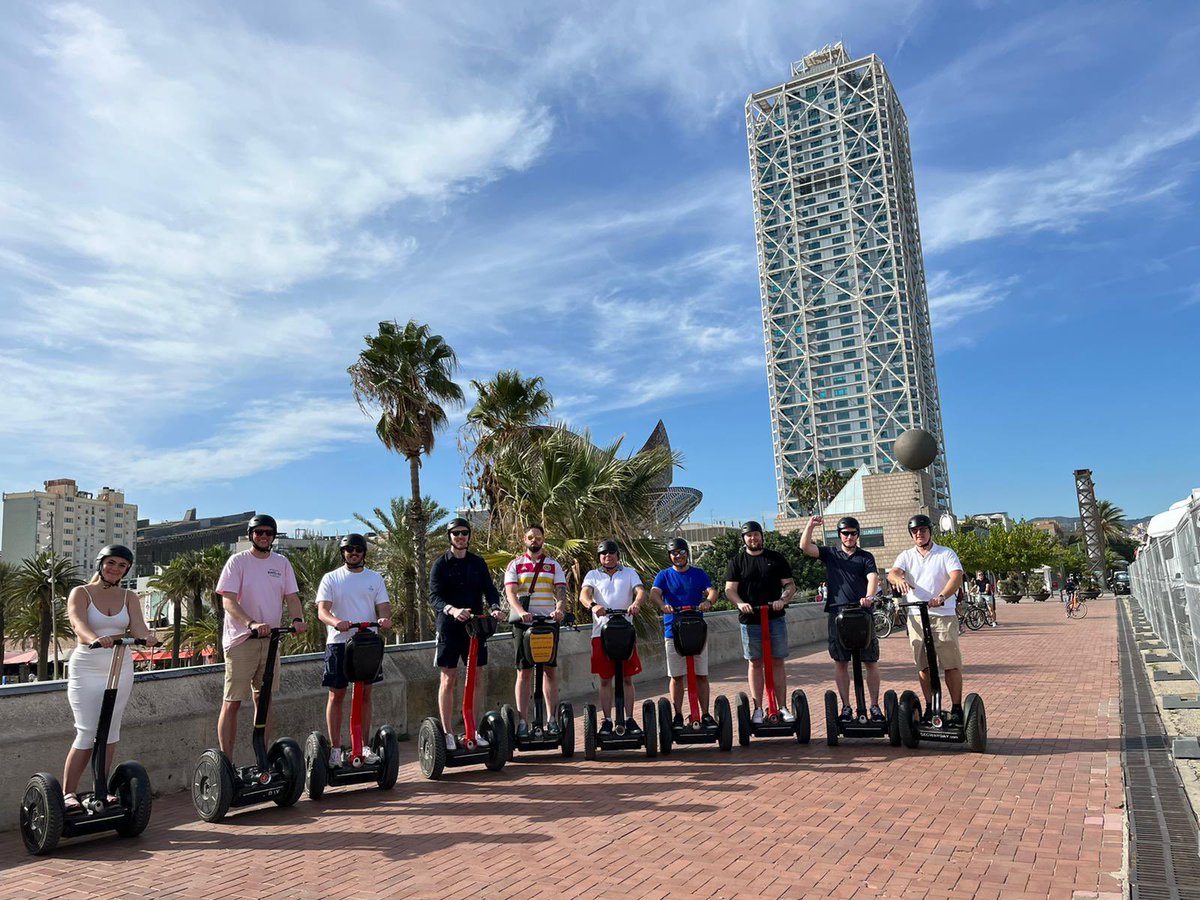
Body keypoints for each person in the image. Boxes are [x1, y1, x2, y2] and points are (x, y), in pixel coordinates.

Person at [62, 545, 157, 810]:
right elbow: (77, 624)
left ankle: (100, 790)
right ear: (100, 563)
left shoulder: (129, 596)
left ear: (127, 570)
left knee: (110, 731)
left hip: (120, 665)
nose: (115, 569)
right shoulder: (80, 593)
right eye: (111, 563)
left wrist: (148, 636)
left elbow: (137, 626)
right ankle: (68, 793)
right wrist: (95, 638)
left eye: (122, 566)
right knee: (87, 731)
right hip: (88, 666)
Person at [215, 514, 306, 757]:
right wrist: (251, 623)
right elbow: (228, 601)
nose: (263, 536)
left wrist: (297, 620)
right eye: (259, 532)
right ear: (251, 535)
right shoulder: (238, 562)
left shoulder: (282, 563)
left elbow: (292, 598)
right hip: (241, 641)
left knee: (263, 700)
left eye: (268, 532)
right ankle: (226, 762)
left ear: (274, 536)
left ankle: (262, 759)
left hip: (271, 640)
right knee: (232, 702)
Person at [315, 533, 392, 766]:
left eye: (358, 549)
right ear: (343, 553)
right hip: (339, 643)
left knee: (366, 694)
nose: (354, 553)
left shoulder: (375, 578)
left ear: (364, 553)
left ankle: (364, 745)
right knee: (336, 694)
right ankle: (336, 749)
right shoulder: (331, 578)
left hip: (367, 643)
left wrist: (385, 619)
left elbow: (384, 607)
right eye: (349, 550)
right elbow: (322, 611)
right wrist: (336, 621)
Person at [430, 517, 504, 750]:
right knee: (448, 677)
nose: (460, 537)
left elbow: (490, 591)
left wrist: (495, 608)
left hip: (475, 628)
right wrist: (452, 610)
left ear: (469, 536)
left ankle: (473, 728)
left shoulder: (477, 563)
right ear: (450, 537)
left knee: (477, 676)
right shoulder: (440, 564)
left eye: (464, 533)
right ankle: (448, 733)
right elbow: (434, 597)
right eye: (456, 533)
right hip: (449, 627)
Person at [800, 514, 883, 723]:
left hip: (862, 612)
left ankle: (874, 705)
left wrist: (869, 597)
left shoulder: (865, 557)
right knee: (841, 661)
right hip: (838, 613)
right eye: (845, 534)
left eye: (853, 533)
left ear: (858, 535)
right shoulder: (831, 554)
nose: (849, 537)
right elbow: (805, 547)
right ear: (839, 535)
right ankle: (846, 706)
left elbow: (872, 577)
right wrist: (810, 526)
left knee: (870, 660)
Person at [887, 514, 966, 726]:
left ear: (930, 531)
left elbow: (956, 577)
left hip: (943, 614)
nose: (919, 534)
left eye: (922, 530)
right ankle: (931, 706)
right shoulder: (906, 555)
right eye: (915, 532)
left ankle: (957, 707)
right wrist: (899, 580)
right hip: (916, 617)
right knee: (923, 666)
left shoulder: (945, 553)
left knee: (950, 663)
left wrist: (941, 597)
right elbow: (892, 573)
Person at [725, 521, 797, 723]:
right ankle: (758, 708)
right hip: (750, 620)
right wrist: (740, 603)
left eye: (756, 535)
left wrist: (782, 600)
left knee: (777, 661)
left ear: (761, 536)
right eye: (748, 536)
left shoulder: (775, 558)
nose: (753, 538)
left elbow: (790, 585)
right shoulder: (737, 561)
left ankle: (781, 706)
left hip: (775, 617)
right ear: (744, 539)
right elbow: (730, 589)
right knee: (755, 662)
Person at [504, 524, 567, 738]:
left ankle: (552, 718)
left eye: (538, 537)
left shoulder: (553, 565)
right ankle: (522, 720)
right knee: (524, 672)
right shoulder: (515, 565)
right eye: (530, 537)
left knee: (550, 670)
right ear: (524, 540)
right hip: (524, 625)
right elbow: (511, 593)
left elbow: (560, 592)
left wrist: (559, 610)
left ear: (543, 540)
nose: (534, 540)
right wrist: (521, 611)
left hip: (548, 624)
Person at [650, 537, 717, 727]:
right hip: (673, 630)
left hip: (696, 630)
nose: (677, 556)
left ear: (687, 553)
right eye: (674, 553)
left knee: (701, 675)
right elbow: (654, 593)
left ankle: (704, 713)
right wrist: (663, 605)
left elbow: (712, 591)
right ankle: (678, 714)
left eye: (680, 552)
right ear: (670, 556)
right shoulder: (663, 575)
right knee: (676, 676)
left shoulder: (698, 573)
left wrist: (708, 602)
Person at [581, 539, 646, 735]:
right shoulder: (593, 575)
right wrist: (593, 606)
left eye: (611, 553)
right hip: (601, 633)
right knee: (605, 679)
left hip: (625, 632)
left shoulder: (629, 573)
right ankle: (607, 720)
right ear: (599, 557)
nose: (607, 556)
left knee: (627, 678)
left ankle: (629, 719)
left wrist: (636, 603)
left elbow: (640, 591)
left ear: (618, 555)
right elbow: (584, 594)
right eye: (603, 554)